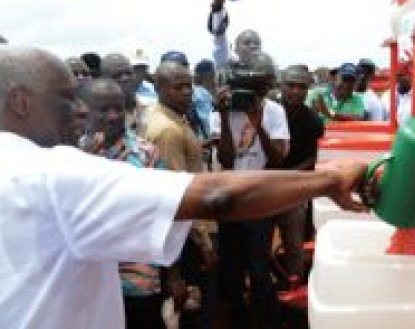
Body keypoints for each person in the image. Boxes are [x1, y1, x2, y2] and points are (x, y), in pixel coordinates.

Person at [0, 46, 367, 329]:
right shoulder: (54, 172)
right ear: (21, 101)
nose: (81, 110)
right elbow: (216, 195)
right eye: (68, 97)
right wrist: (331, 179)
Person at [211, 51, 289, 329]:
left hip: (260, 199)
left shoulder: (275, 111)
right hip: (231, 199)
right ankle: (239, 320)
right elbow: (227, 160)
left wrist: (258, 124)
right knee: (231, 270)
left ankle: (268, 322)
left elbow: (278, 160)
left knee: (258, 270)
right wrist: (222, 114)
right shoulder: (225, 111)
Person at [81, 79, 166, 329]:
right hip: (88, 281)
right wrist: (84, 162)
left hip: (137, 280)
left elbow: (165, 215)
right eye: (104, 109)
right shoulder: (67, 155)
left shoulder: (146, 154)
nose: (114, 116)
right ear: (84, 109)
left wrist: (173, 274)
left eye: (119, 108)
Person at [141, 60, 217, 329]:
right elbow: (179, 196)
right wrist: (204, 240)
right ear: (159, 87)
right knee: (195, 307)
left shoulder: (168, 117)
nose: (186, 92)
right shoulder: (168, 130)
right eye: (178, 87)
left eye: (189, 86)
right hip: (185, 237)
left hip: (181, 234)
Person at [277, 65, 324, 286]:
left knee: (295, 245)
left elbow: (314, 159)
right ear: (280, 86)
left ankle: (295, 286)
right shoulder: (267, 111)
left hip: (295, 188)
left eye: (301, 87)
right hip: (261, 185)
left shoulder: (312, 120)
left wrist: (288, 176)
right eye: (291, 85)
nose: (296, 91)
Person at [100, 53, 141, 130]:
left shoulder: (151, 107)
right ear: (103, 81)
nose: (125, 78)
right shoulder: (99, 118)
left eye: (128, 73)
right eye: (117, 75)